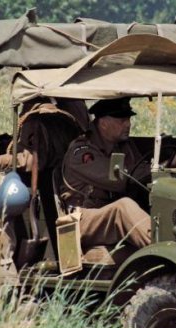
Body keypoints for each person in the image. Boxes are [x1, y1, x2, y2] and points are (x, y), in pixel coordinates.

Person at [60, 98, 152, 249]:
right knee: (123, 208)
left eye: (128, 119)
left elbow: (139, 168)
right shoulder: (81, 152)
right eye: (122, 120)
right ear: (103, 123)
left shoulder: (123, 146)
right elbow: (119, 180)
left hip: (104, 215)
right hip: (81, 218)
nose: (128, 124)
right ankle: (162, 249)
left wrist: (167, 165)